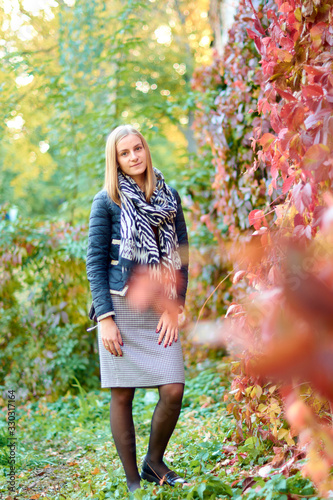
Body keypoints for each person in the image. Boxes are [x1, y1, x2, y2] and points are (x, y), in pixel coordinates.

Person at [86, 124, 189, 492]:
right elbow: (95, 263)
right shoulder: (106, 201)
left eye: (137, 149)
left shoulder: (169, 196)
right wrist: (106, 318)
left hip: (158, 305)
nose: (134, 157)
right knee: (122, 393)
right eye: (124, 153)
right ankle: (133, 482)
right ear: (115, 161)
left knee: (173, 388)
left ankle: (153, 461)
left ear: (146, 149)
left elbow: (181, 260)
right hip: (118, 308)